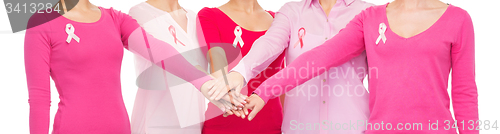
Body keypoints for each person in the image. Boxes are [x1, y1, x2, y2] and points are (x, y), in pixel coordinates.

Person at [245, 0, 479, 134]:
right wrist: (264, 91)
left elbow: (464, 93)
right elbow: (320, 57)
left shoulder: (458, 20)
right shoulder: (370, 18)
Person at [24, 0, 230, 133]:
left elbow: (158, 51)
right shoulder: (41, 23)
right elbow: (40, 99)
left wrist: (205, 84)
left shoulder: (115, 19)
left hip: (120, 129)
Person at [209, 0, 375, 133]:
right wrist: (239, 73)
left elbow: (380, 82)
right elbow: (269, 43)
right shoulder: (291, 12)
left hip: (353, 127)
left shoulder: (368, 14)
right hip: (299, 127)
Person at [197, 0, 285, 133]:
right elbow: (217, 62)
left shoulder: (279, 21)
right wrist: (229, 95)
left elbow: (282, 77)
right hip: (224, 125)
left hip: (272, 125)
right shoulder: (209, 16)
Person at [128, 0, 214, 133]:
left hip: (194, 124)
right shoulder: (140, 14)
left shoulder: (193, 17)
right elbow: (172, 58)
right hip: (155, 124)